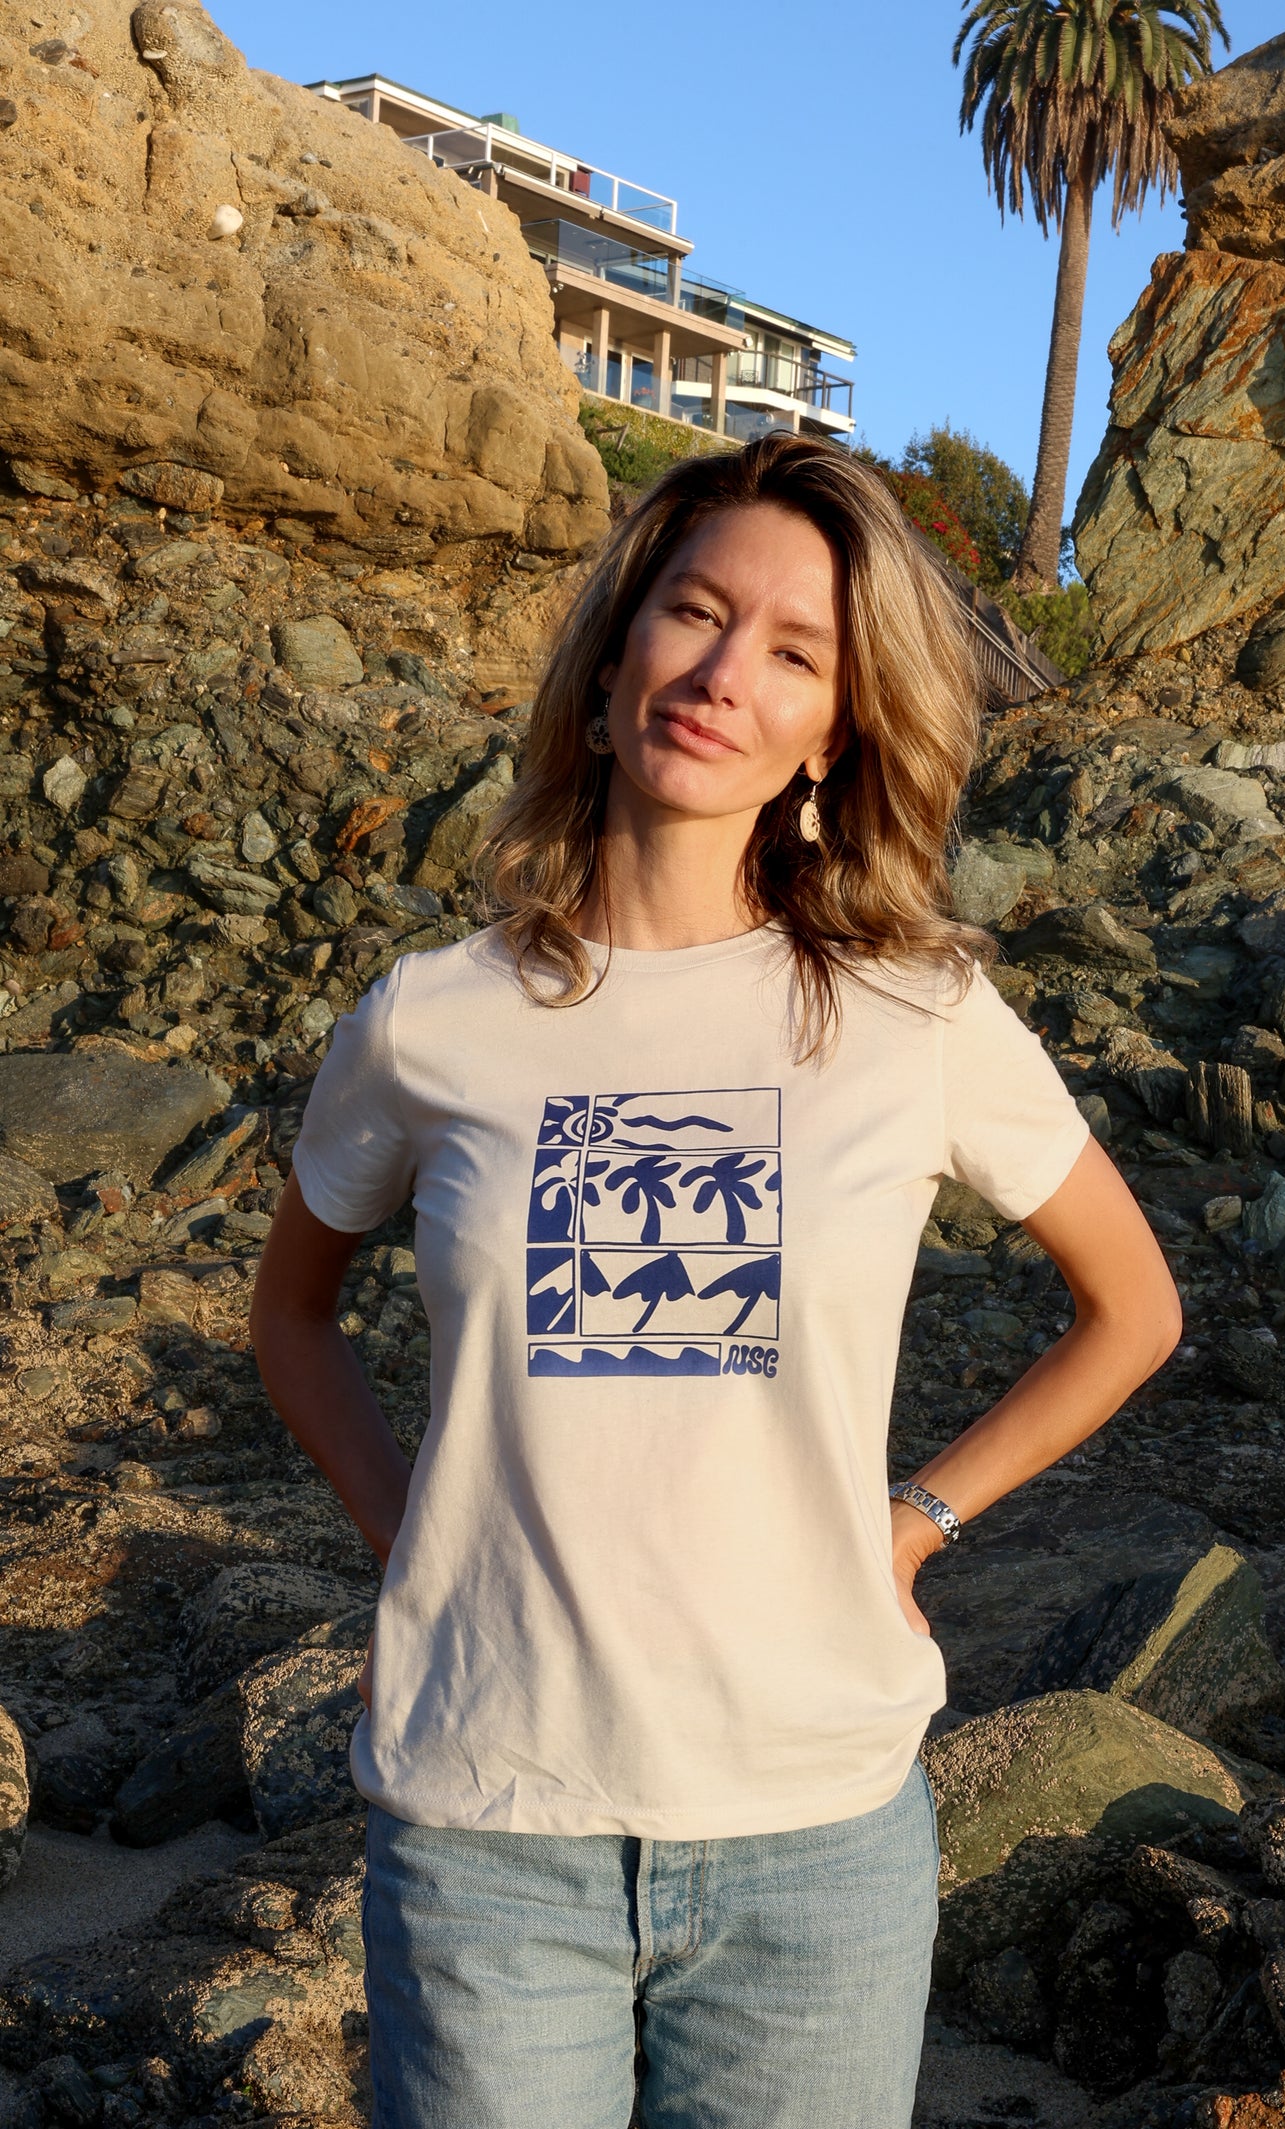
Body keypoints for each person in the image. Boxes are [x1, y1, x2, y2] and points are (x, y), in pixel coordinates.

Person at [249, 431, 1181, 2129]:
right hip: (490, 1825)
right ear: (614, 657)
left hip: (811, 1838)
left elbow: (1133, 1308)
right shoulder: (430, 1017)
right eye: (693, 610)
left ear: (832, 731)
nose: (723, 671)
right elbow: (290, 1315)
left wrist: (915, 1522)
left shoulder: (916, 1013)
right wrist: (414, 1543)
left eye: (795, 651)